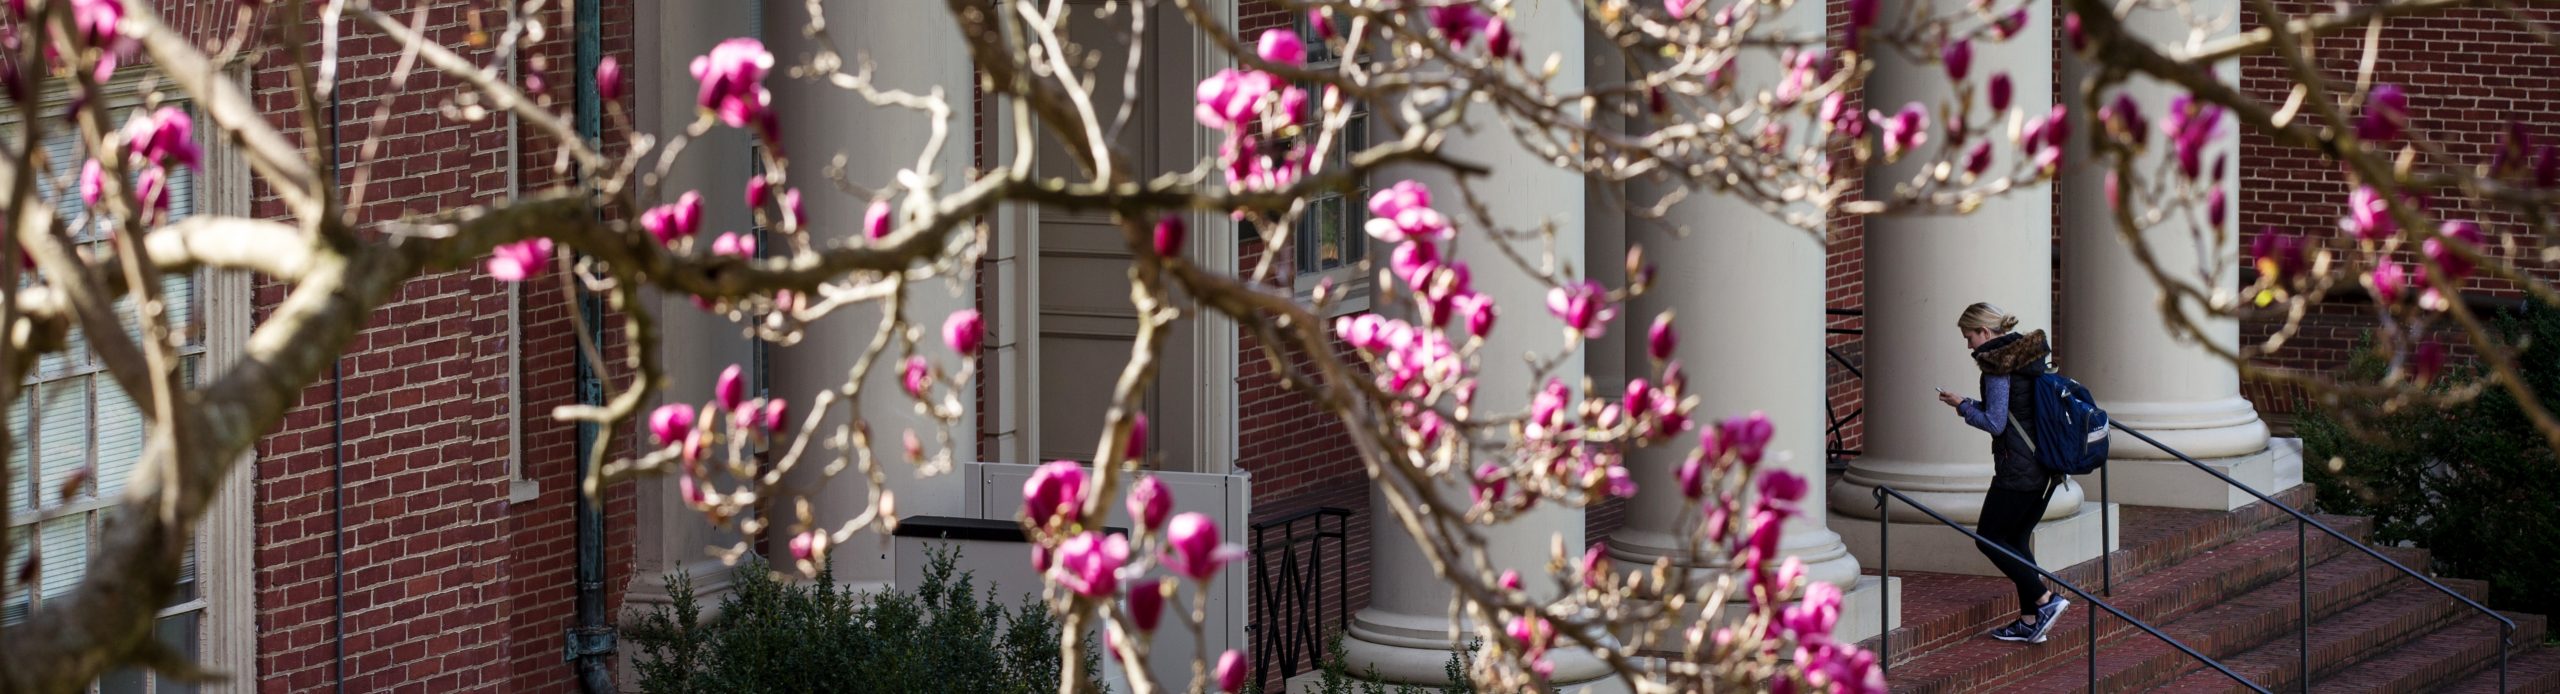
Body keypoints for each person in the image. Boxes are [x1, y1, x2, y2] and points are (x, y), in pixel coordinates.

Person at [1935, 302, 2071, 644]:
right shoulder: (2027, 356)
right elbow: (2012, 412)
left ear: (1984, 331)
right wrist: (1968, 401)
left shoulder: (1997, 365)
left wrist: (1962, 407)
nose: (1969, 346)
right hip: (2044, 467)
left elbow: (1996, 423)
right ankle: (2029, 621)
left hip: (2017, 470)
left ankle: (2044, 599)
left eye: (1969, 337)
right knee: (2015, 540)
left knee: (1989, 538)